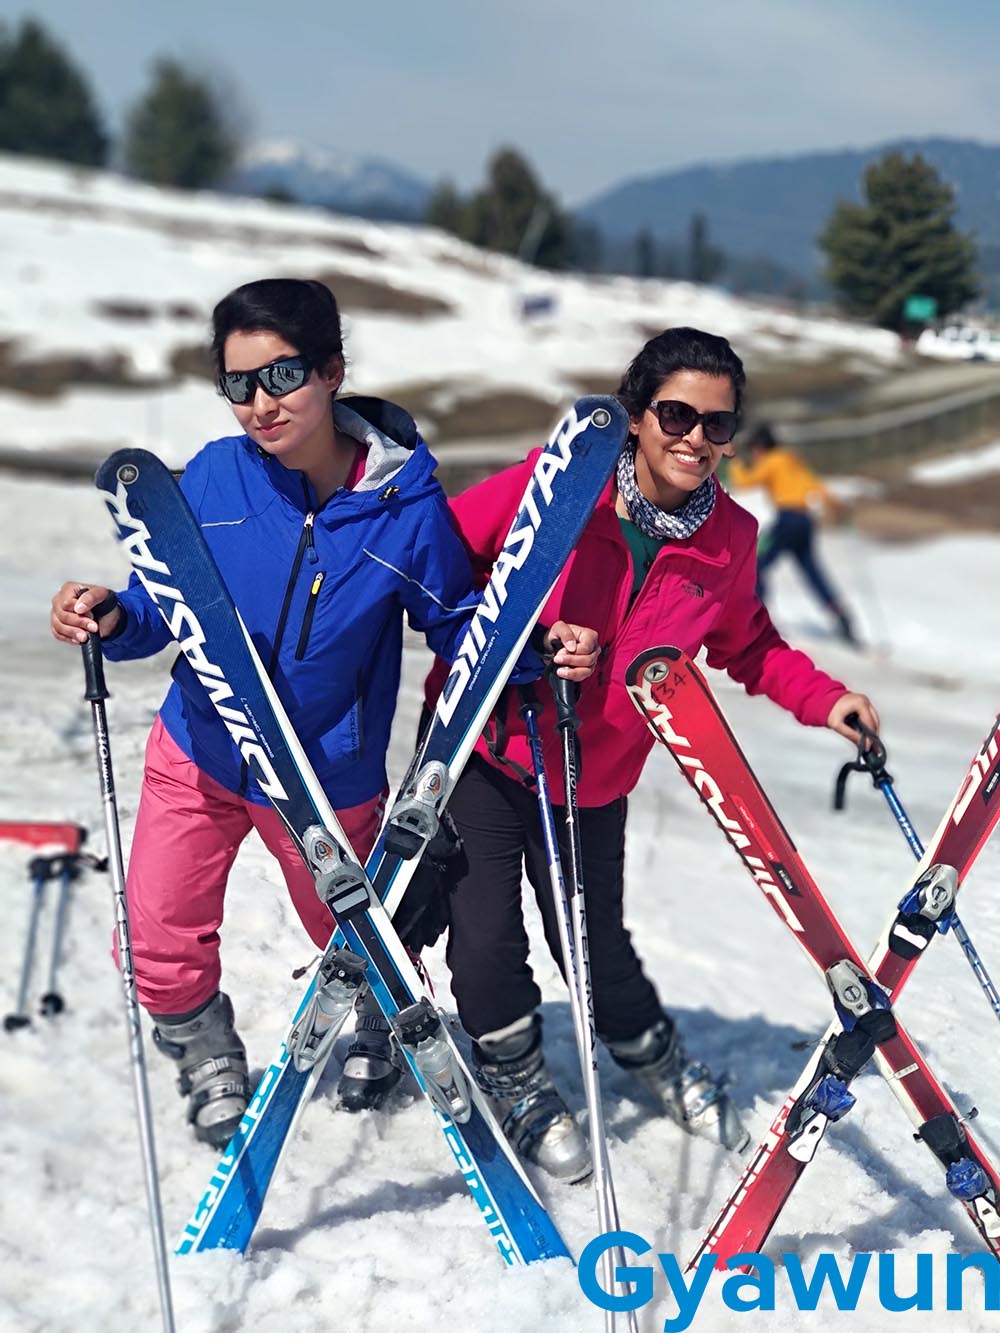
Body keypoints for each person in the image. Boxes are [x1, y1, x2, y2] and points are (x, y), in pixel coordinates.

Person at [50, 277, 594, 1147]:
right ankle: (205, 1051)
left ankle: (382, 1022)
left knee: (359, 932)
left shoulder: (404, 505)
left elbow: (456, 620)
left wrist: (534, 652)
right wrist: (112, 616)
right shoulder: (216, 479)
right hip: (200, 746)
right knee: (157, 930)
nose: (260, 404)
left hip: (319, 773)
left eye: (282, 375)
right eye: (237, 384)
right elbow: (164, 607)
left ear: (333, 371)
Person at [408, 328, 880, 1183]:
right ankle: (514, 1072)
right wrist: (530, 640)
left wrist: (826, 699)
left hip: (597, 770)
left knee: (593, 941)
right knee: (485, 938)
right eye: (676, 414)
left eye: (718, 423)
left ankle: (649, 1050)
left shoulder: (728, 539)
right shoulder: (557, 487)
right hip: (488, 742)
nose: (696, 438)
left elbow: (752, 645)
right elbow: (438, 560)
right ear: (634, 415)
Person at [728, 423, 858, 645]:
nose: (754, 455)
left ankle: (756, 615)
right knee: (811, 570)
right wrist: (835, 506)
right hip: (805, 520)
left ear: (760, 447)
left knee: (754, 561)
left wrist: (735, 461)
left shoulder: (771, 461)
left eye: (753, 450)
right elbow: (816, 486)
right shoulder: (793, 460)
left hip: (787, 520)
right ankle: (840, 614)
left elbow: (745, 482)